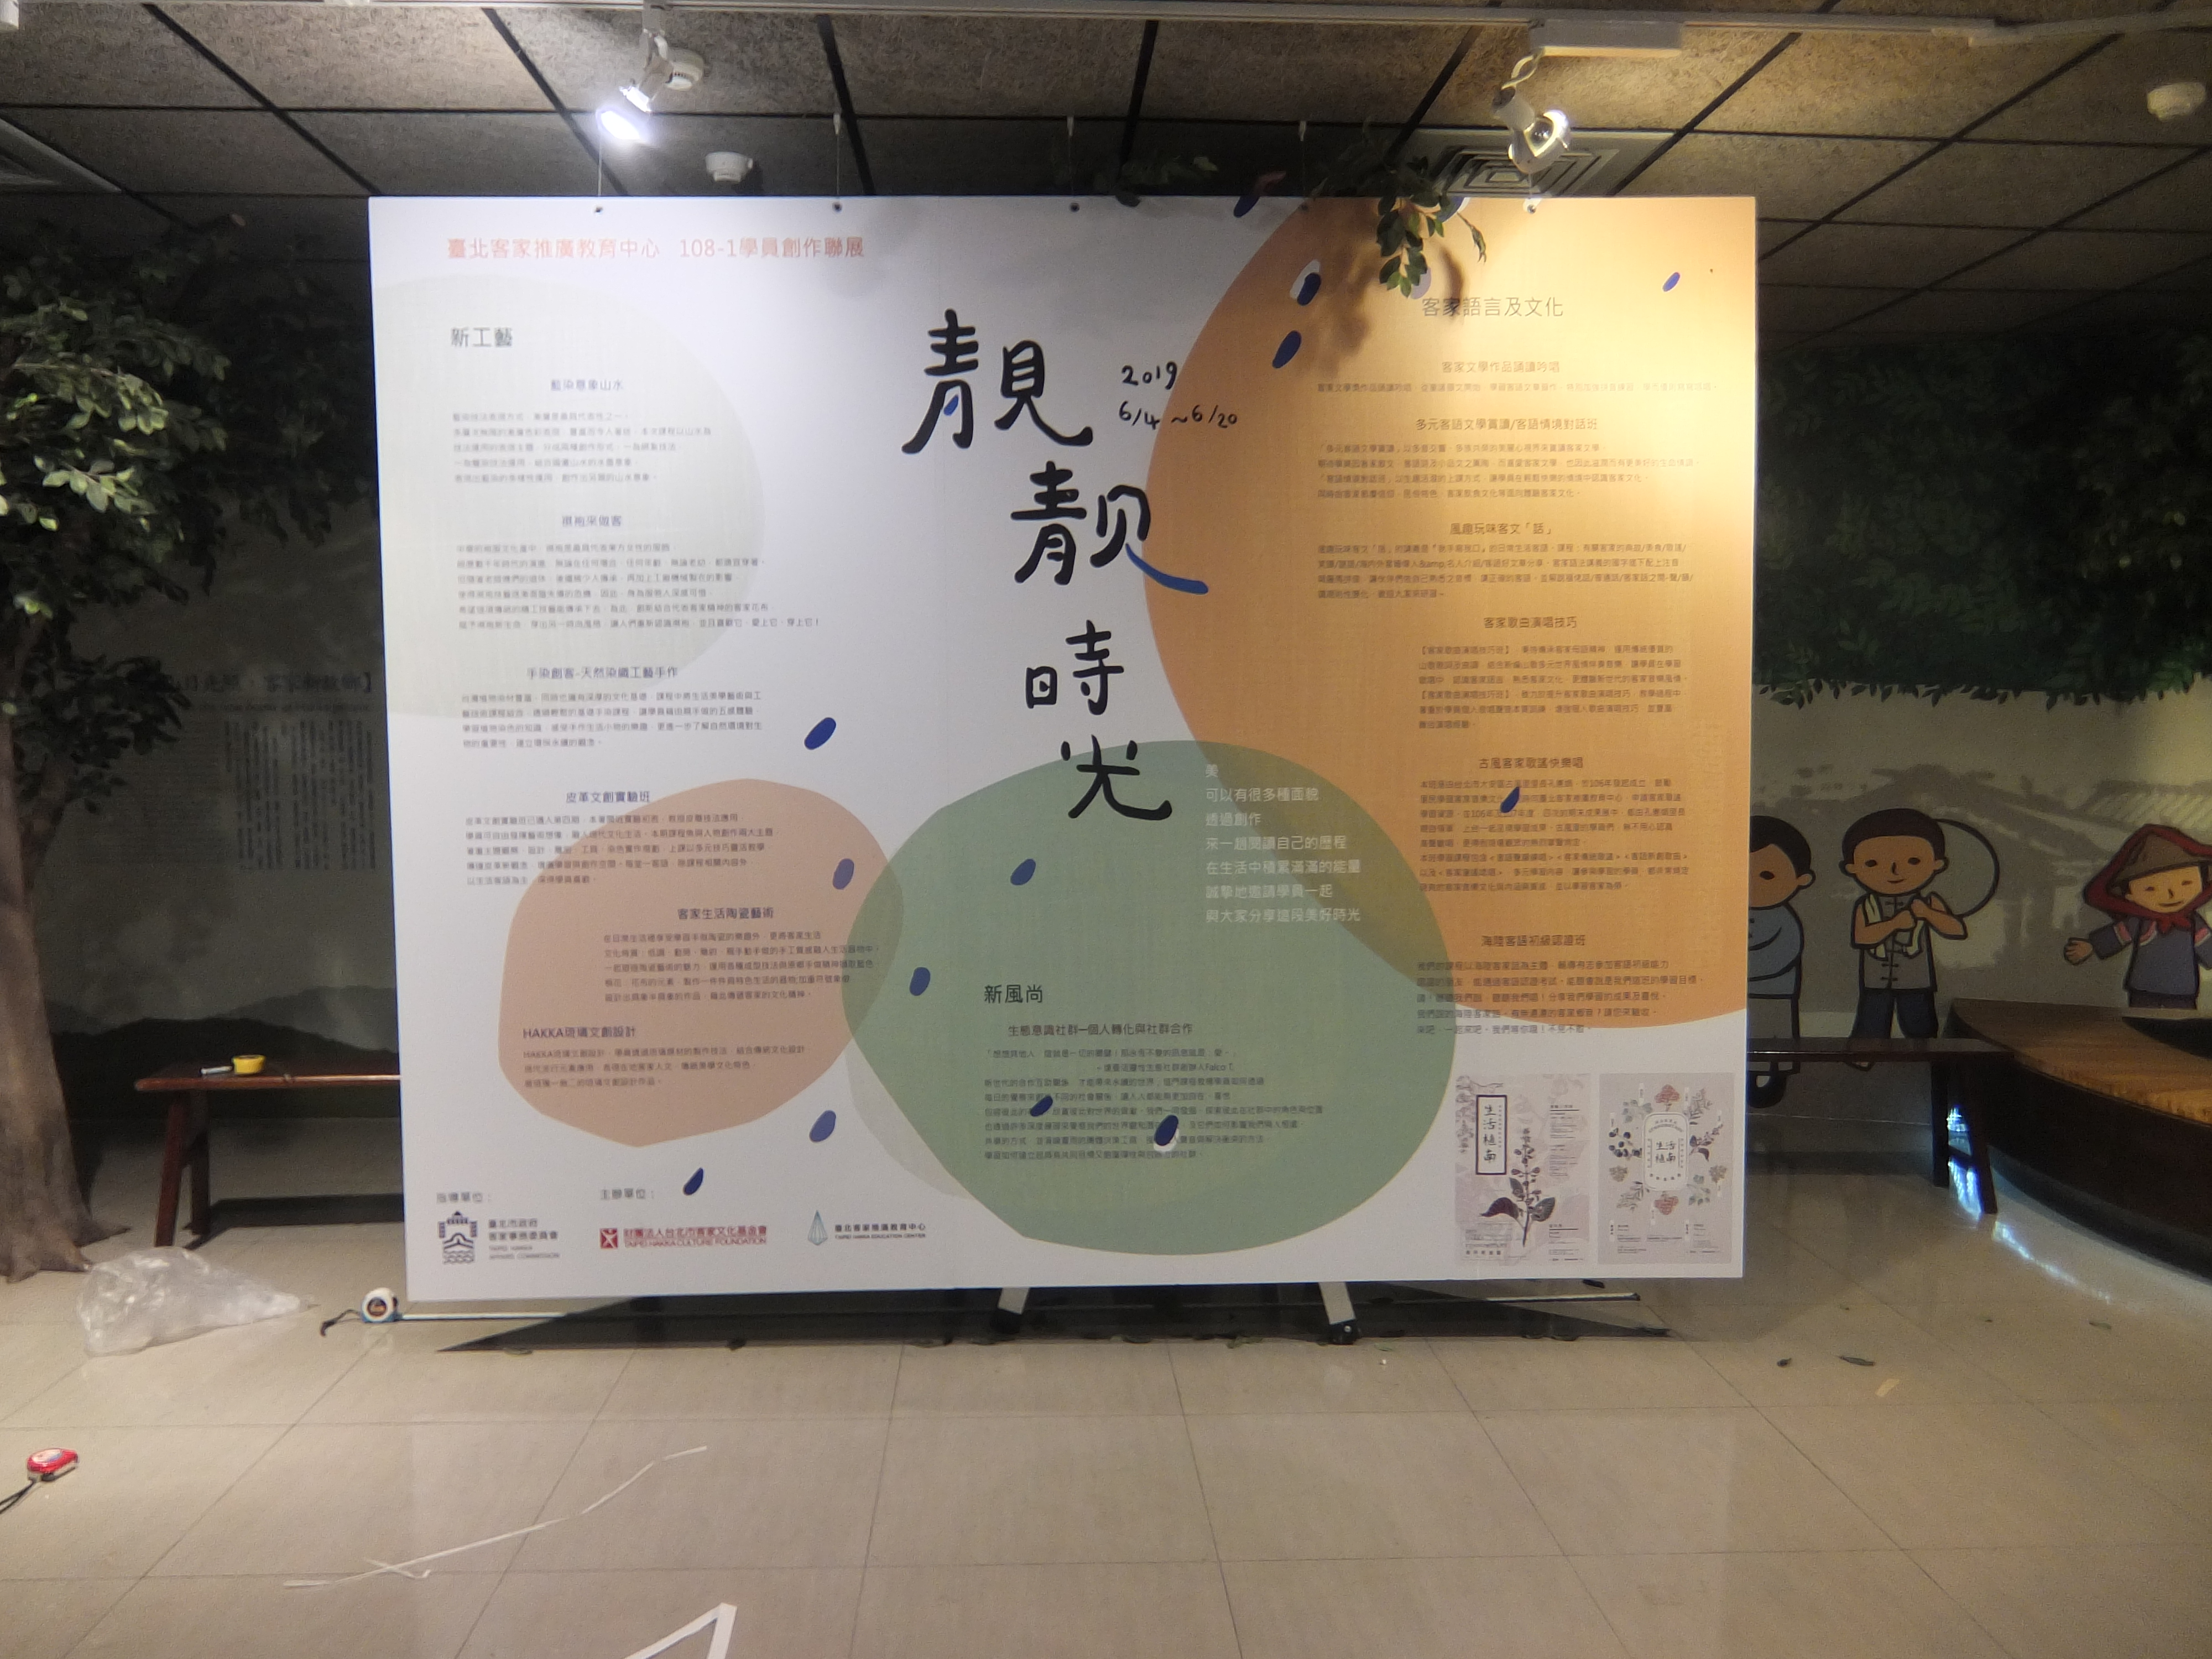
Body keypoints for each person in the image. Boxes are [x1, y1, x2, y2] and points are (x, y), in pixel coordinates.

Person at [1842, 807, 1966, 1039]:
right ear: (1853, 868)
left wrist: (1928, 914)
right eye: (1873, 863)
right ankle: (1865, 1057)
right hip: (1875, 981)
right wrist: (1895, 923)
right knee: (1870, 1030)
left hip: (1916, 981)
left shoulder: (1928, 902)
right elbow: (1862, 937)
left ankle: (1925, 1060)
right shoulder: (1866, 904)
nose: (1894, 871)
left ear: (1937, 864)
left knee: (1921, 1031)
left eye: (1913, 861)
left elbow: (1956, 929)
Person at [2063, 825, 2212, 1009]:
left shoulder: (2193, 923)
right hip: (2143, 988)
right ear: (2129, 895)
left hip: (2182, 990)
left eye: (2186, 882)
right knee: (2140, 1018)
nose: (2171, 894)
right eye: (2151, 888)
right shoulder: (2140, 922)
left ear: (2202, 882)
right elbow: (2118, 934)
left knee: (2182, 1021)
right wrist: (2092, 945)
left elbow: (2208, 948)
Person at [1747, 815, 1815, 1108]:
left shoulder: (1784, 920)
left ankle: (1773, 1079)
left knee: (1773, 1039)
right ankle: (1752, 1079)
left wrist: (1739, 974)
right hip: (1739, 998)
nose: (1750, 884)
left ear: (1801, 880)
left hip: (1774, 994)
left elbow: (1781, 957)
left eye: (1766, 876)